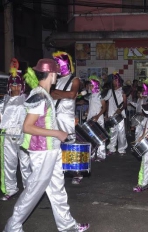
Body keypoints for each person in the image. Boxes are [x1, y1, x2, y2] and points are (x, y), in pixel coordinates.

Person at [3, 58, 89, 232]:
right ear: (51, 74)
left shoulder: (44, 93)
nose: (57, 75)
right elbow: (27, 127)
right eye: (56, 72)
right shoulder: (39, 95)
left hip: (51, 149)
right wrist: (57, 133)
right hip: (42, 152)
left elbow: (44, 122)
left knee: (57, 189)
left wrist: (61, 128)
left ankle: (67, 226)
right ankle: (12, 226)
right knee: (34, 190)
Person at [0, 67, 31, 201]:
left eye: (18, 84)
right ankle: (10, 189)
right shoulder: (4, 100)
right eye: (13, 85)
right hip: (7, 135)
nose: (15, 87)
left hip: (23, 134)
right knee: (8, 164)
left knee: (25, 164)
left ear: (22, 86)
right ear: (9, 86)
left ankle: (29, 190)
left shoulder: (27, 99)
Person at [51, 51, 82, 185]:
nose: (56, 67)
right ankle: (59, 170)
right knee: (55, 144)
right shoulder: (55, 80)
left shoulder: (74, 79)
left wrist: (55, 93)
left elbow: (72, 94)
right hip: (54, 115)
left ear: (64, 64)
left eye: (58, 64)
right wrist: (57, 94)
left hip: (67, 116)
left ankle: (76, 172)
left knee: (70, 143)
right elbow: (50, 95)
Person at [104, 72, 128, 156]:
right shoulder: (110, 91)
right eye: (113, 80)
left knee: (121, 132)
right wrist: (106, 114)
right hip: (111, 113)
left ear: (118, 81)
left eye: (115, 80)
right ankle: (112, 148)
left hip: (120, 115)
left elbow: (125, 104)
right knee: (112, 132)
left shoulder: (122, 90)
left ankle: (122, 149)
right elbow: (107, 102)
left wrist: (120, 109)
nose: (114, 82)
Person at [86, 75, 107, 161]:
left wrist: (98, 116)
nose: (89, 86)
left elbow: (104, 107)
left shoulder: (100, 95)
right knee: (91, 136)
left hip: (98, 118)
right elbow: (91, 106)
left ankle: (101, 155)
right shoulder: (90, 95)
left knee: (100, 137)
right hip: (90, 117)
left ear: (95, 85)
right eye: (89, 85)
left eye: (91, 85)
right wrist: (87, 112)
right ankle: (92, 154)